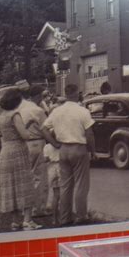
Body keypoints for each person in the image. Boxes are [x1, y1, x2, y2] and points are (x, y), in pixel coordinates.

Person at [42, 84, 96, 226]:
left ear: (65, 94)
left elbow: (44, 129)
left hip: (63, 149)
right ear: (77, 94)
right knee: (81, 184)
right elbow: (89, 134)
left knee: (65, 185)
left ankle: (65, 217)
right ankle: (81, 215)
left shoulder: (57, 111)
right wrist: (93, 151)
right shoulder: (82, 111)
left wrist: (55, 143)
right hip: (78, 148)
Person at [0, 89, 41, 231]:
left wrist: (25, 126)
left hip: (6, 150)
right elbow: (25, 136)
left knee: (12, 186)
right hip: (18, 151)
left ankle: (15, 221)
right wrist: (29, 127)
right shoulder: (15, 115)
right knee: (24, 184)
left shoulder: (2, 115)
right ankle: (28, 220)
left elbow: (11, 132)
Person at [19, 85, 49, 217]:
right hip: (37, 141)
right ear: (37, 96)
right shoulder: (37, 110)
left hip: (24, 143)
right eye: (41, 96)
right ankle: (38, 208)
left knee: (26, 176)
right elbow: (46, 129)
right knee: (39, 177)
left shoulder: (21, 108)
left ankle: (24, 207)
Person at [43, 142, 61, 226]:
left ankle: (54, 218)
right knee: (59, 194)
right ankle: (61, 216)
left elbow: (46, 159)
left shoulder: (47, 147)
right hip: (61, 167)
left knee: (54, 194)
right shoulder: (62, 145)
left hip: (51, 169)